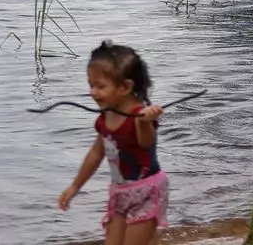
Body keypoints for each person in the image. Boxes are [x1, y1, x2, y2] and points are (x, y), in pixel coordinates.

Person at [56, 42, 169, 242]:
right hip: (120, 192)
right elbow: (95, 154)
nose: (93, 92)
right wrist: (75, 187)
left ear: (125, 87)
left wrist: (145, 123)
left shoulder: (139, 115)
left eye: (100, 86)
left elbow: (146, 143)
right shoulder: (106, 116)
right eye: (91, 85)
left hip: (146, 190)